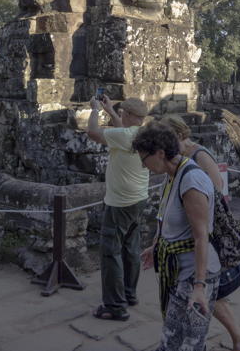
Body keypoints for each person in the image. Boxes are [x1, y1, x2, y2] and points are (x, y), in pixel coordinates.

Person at [161, 114, 240, 351]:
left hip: (206, 235)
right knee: (205, 295)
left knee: (205, 292)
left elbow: (215, 194)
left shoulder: (198, 156)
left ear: (180, 135)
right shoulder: (176, 159)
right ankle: (239, 337)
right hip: (190, 240)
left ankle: (236, 337)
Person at [133, 122, 220, 351]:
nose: (144, 166)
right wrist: (157, 246)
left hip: (195, 273)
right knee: (171, 338)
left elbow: (201, 236)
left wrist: (199, 287)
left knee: (189, 344)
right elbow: (169, 219)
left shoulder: (190, 180)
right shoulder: (172, 175)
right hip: (179, 270)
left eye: (144, 159)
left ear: (160, 153)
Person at [88, 95, 149, 321]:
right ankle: (129, 294)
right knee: (130, 248)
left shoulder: (125, 135)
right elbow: (122, 131)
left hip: (120, 203)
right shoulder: (141, 133)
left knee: (110, 252)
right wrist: (111, 111)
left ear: (132, 116)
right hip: (139, 198)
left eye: (124, 113)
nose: (121, 115)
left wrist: (95, 110)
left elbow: (93, 133)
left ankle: (115, 306)